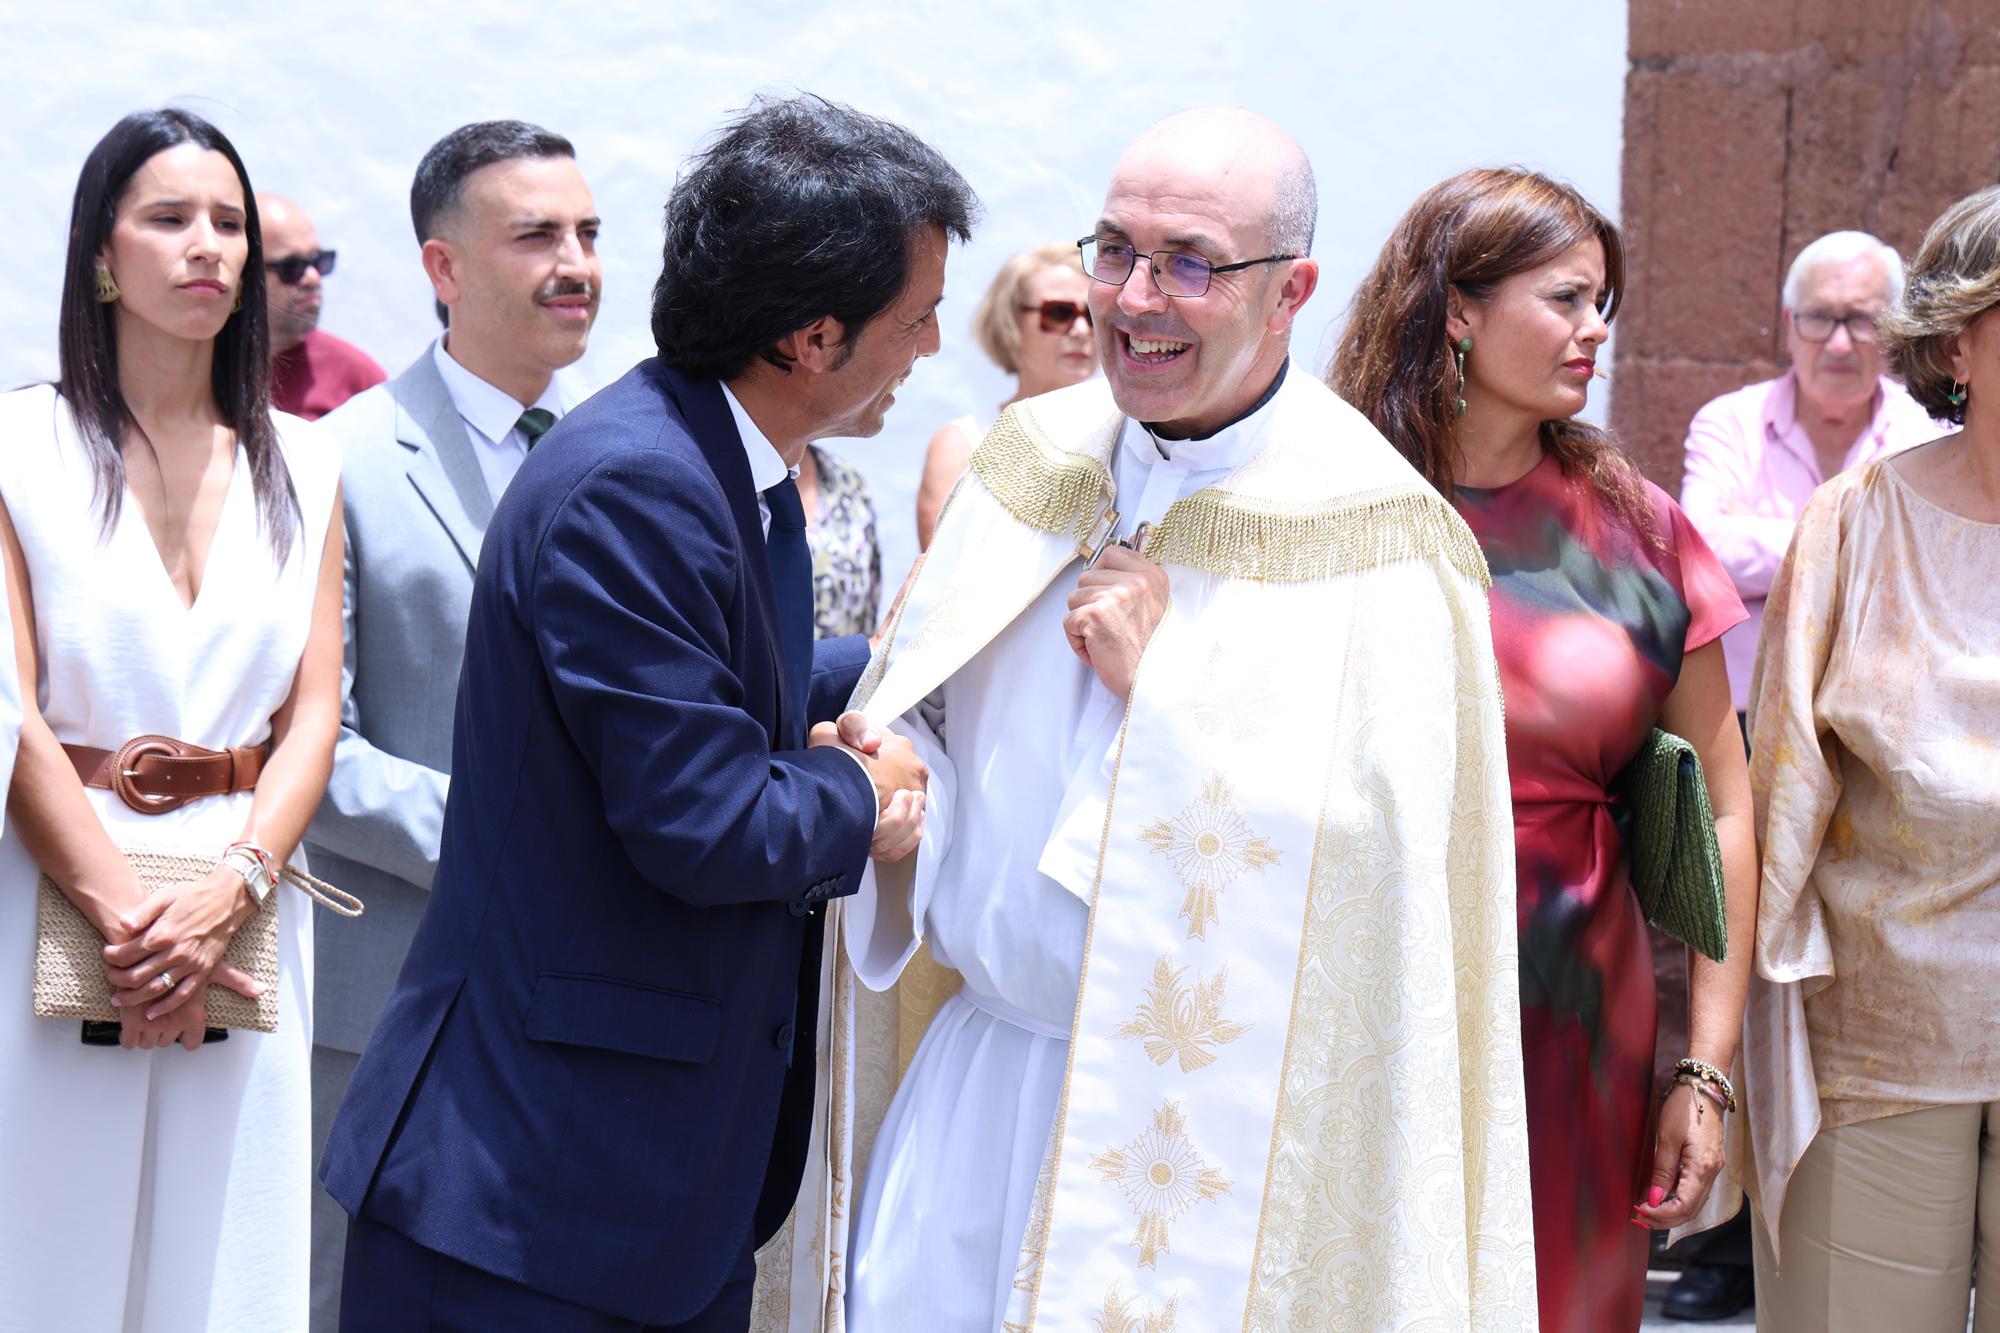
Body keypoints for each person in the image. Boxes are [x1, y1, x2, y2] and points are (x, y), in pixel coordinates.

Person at [789, 108, 1535, 1332]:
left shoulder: (1381, 541)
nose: (1132, 298)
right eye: (1113, 249)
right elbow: (938, 715)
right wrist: (897, 772)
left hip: (1198, 1144)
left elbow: (1377, 885)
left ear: (1289, 290)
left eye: (1190, 261)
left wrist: (1168, 691)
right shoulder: (1028, 462)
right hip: (978, 1085)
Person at [320, 93, 964, 1331]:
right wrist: (861, 792)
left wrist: (904, 667)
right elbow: (705, 818)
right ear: (814, 336)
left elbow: (724, 683)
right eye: (916, 316)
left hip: (632, 1191)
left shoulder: (710, 459)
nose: (930, 348)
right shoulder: (641, 485)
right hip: (536, 1196)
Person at [1329, 167, 1758, 1333]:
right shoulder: (1327, 503)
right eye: (1566, 298)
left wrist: (1702, 1066)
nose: (1596, 329)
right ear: (1456, 309)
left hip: (1573, 1015)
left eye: (1602, 300)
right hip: (1356, 989)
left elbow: (1723, 801)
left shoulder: (1637, 526)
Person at [0, 108, 345, 1331]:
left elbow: (315, 714)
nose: (207, 245)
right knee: (46, 1250)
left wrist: (233, 888)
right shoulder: (15, 446)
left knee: (231, 1267)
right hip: (52, 892)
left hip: (242, 905)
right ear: (102, 252)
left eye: (230, 222)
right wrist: (130, 923)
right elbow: (12, 713)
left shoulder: (305, 463)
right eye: (168, 218)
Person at [299, 119, 600, 1333]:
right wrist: (514, 843)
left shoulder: (624, 458)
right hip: (392, 997)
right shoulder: (338, 460)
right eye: (536, 234)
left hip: (581, 1007)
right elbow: (315, 750)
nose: (575, 260)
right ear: (443, 268)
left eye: (588, 232)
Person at [1741, 185, 2000, 1333]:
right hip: (1876, 1051)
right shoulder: (1854, 522)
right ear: (1957, 336)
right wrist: (1739, 1058)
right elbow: (1780, 798)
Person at [1678, 230, 1936, 721]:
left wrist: (1757, 540)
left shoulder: (1925, 431)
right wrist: (1865, 540)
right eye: (1819, 318)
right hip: (1740, 719)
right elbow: (1700, 557)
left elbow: (1925, 567)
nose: (1839, 344)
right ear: (1789, 325)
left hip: (1879, 719)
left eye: (1863, 320)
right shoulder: (1729, 422)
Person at [914, 242, 1097, 548]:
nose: (1080, 329)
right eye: (1059, 313)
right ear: (1010, 321)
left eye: (1094, 316)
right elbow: (940, 576)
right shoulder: (962, 446)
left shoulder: (1133, 440)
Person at [259, 194, 387, 420]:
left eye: (319, 262)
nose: (313, 278)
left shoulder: (359, 381)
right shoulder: (200, 364)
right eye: (292, 267)